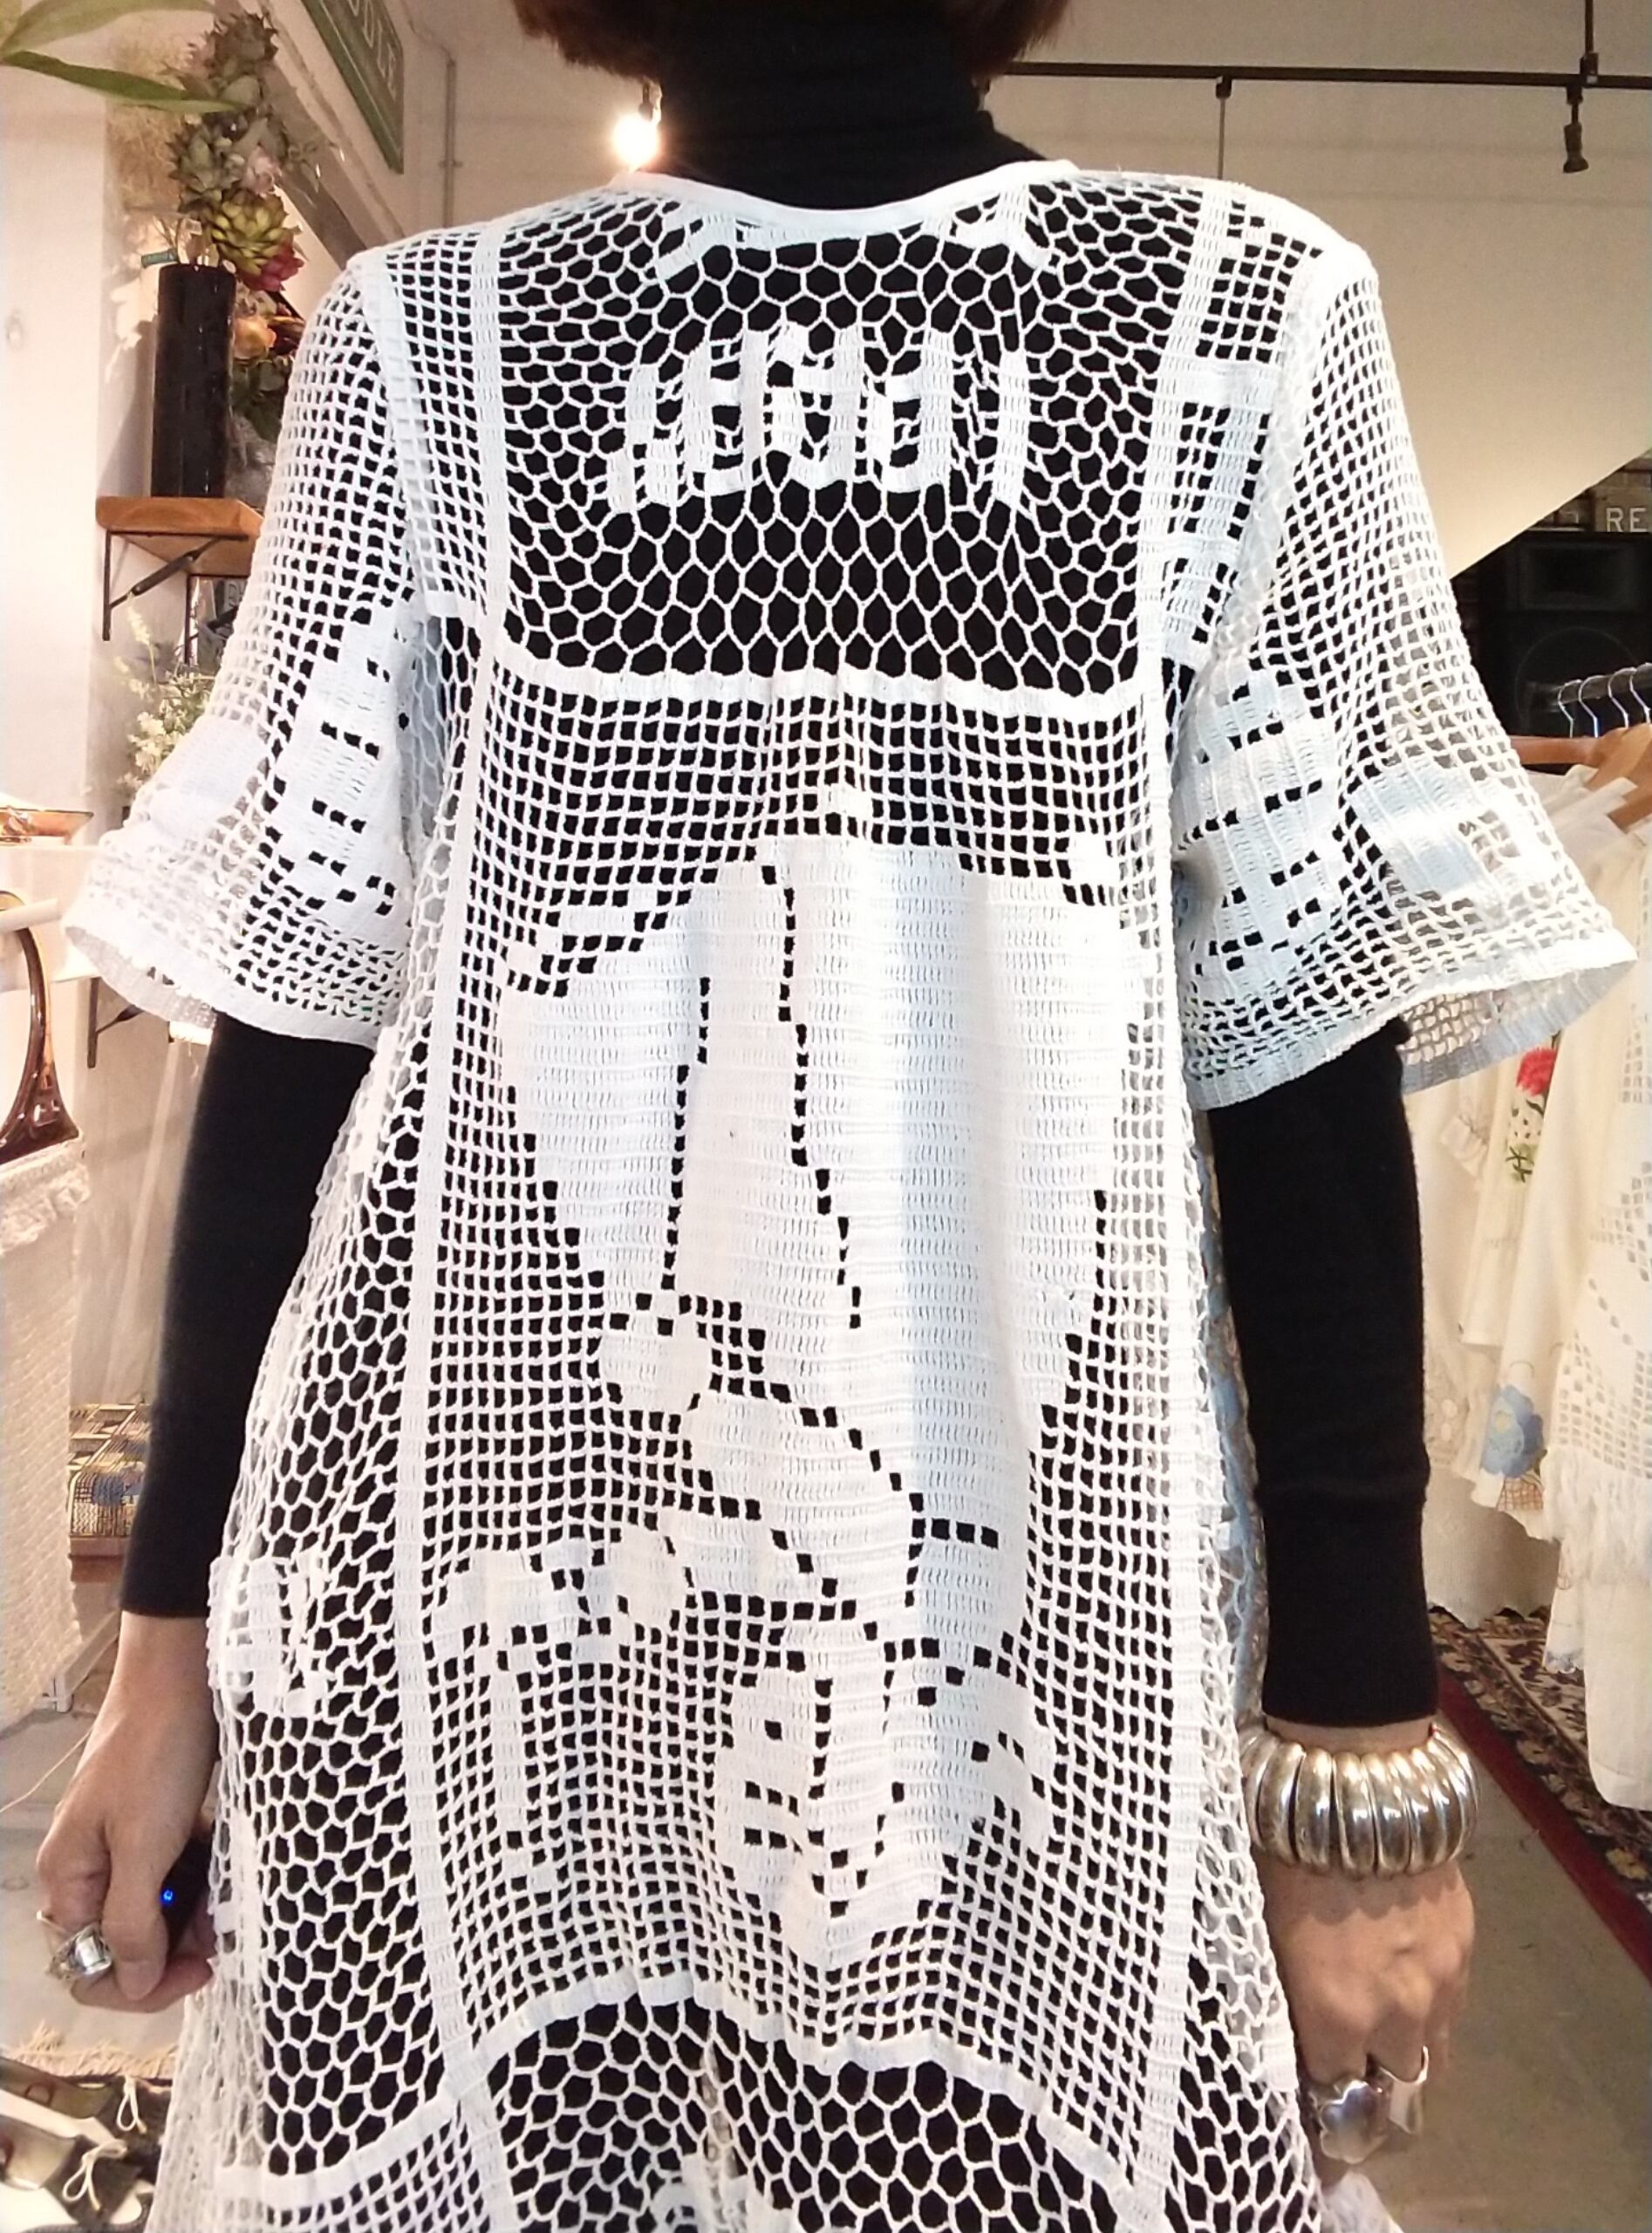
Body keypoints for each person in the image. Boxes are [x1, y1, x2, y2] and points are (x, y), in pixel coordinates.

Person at [38, 3, 1634, 2228]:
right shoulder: (433, 348)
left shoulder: (1227, 328)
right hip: (483, 1618)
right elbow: (294, 1049)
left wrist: (1357, 1751)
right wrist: (167, 1661)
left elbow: (1302, 1062)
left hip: (1020, 1640)